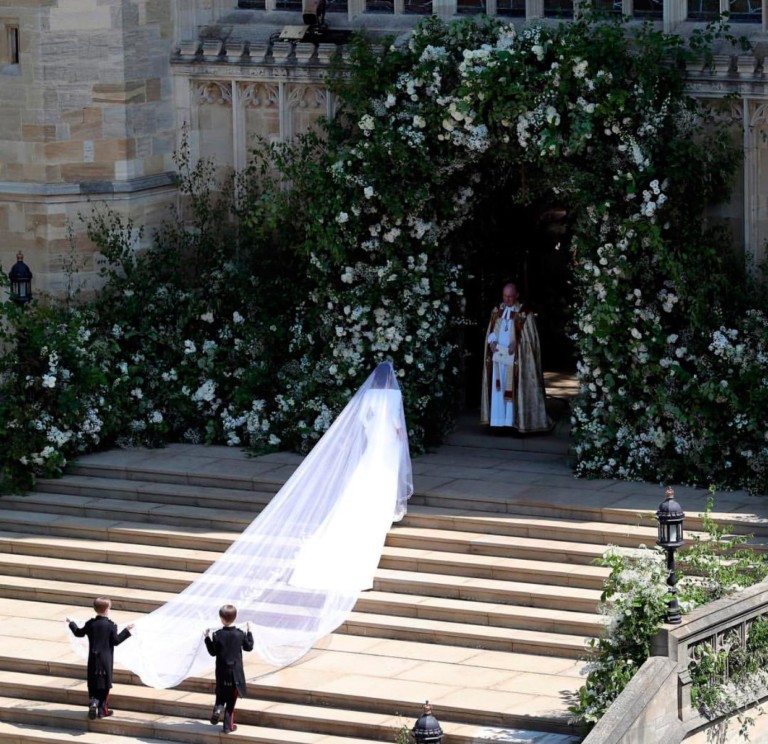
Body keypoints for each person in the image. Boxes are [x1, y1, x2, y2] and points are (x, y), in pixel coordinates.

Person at [99, 361, 411, 690]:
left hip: (369, 454)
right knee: (380, 482)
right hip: (385, 452)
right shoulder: (392, 400)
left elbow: (363, 426)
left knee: (362, 487)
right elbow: (396, 431)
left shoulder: (370, 401)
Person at [481, 282, 552, 433]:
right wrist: (492, 342)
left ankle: (514, 422)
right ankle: (498, 423)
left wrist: (517, 343)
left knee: (514, 388)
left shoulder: (525, 313)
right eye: (505, 296)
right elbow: (492, 331)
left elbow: (530, 338)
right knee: (498, 389)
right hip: (499, 358)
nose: (507, 300)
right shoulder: (497, 311)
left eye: (510, 296)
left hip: (516, 360)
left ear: (517, 295)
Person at [66, 597, 133, 719]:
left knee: (93, 682)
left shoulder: (91, 623)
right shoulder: (111, 626)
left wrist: (71, 623)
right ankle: (102, 711)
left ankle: (93, 702)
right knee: (105, 684)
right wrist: (127, 630)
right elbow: (116, 641)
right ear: (107, 609)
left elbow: (78, 633)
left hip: (93, 659)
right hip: (105, 660)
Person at [204, 604, 254, 734]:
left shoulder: (217, 635)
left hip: (221, 672)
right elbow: (249, 647)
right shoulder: (240, 634)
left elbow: (212, 652)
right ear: (235, 617)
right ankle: (228, 726)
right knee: (231, 701)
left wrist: (207, 638)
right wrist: (249, 632)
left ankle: (217, 709)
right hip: (235, 674)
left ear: (221, 618)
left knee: (221, 694)